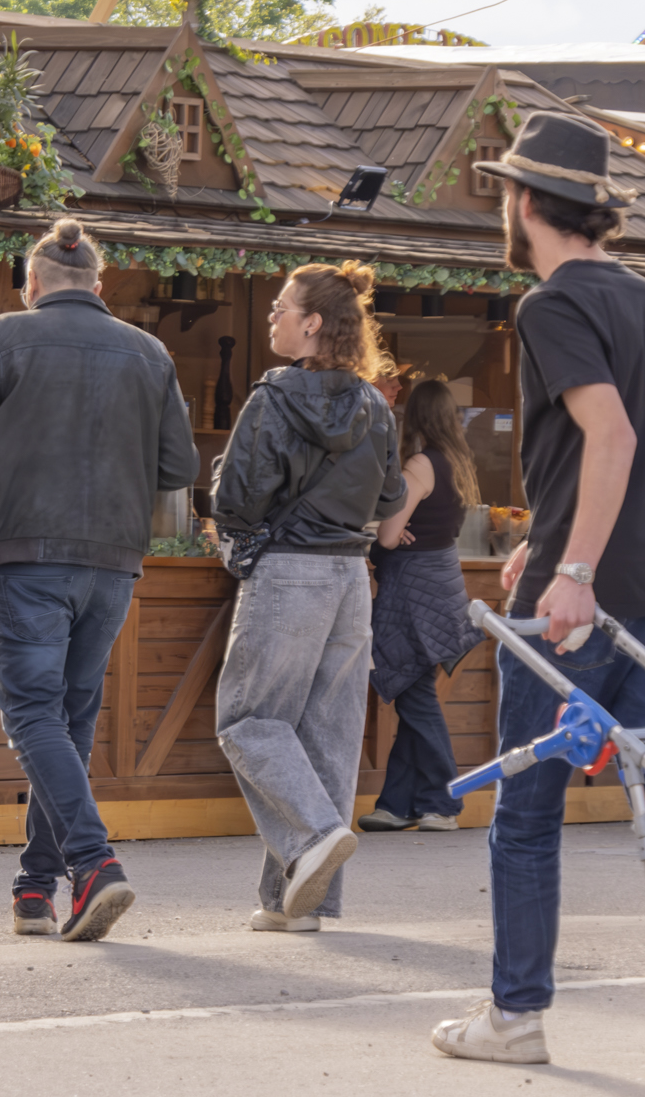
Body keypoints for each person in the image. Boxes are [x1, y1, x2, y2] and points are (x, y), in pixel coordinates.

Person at [430, 112, 645, 1076]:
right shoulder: (644, 296)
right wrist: (548, 534)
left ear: (524, 200)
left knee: (527, 808)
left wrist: (570, 569)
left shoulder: (550, 303)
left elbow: (609, 436)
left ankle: (515, 1015)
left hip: (585, 604)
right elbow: (627, 453)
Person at [0, 217, 198, 942]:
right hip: (112, 559)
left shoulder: (3, 337)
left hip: (26, 553)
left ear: (32, 282)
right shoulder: (149, 351)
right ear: (98, 284)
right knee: (68, 721)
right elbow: (179, 467)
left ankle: (92, 863)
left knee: (31, 716)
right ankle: (33, 889)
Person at [211, 262, 404, 934]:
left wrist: (224, 483)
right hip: (350, 576)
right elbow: (389, 497)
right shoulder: (374, 403)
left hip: (288, 572)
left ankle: (314, 833)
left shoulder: (274, 395)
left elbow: (235, 500)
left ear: (313, 322)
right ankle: (293, 902)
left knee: (249, 721)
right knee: (326, 737)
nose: (271, 317)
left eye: (280, 309)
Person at [358, 378, 485, 833]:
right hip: (441, 586)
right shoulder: (458, 462)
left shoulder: (420, 464)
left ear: (415, 417)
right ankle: (398, 805)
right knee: (415, 693)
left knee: (417, 699)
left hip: (412, 592)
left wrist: (381, 538)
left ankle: (445, 801)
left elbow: (390, 536)